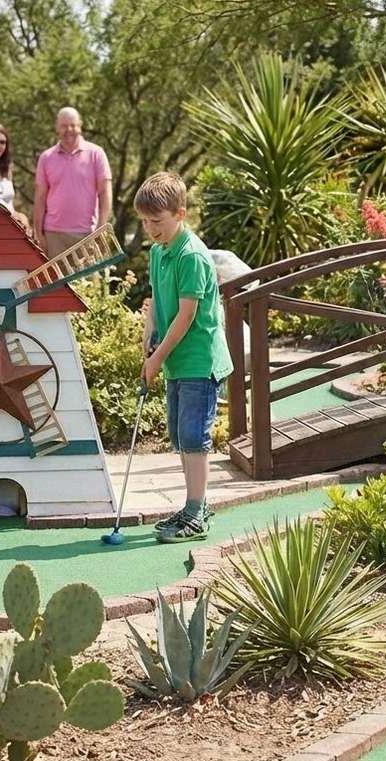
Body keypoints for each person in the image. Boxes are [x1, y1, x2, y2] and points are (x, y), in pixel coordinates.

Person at [138, 172, 234, 543]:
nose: (150, 229)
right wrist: (149, 338)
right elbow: (156, 307)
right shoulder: (158, 251)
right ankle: (192, 505)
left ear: (180, 213)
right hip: (176, 359)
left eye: (156, 222)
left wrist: (157, 357)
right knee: (180, 435)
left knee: (194, 436)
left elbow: (186, 315)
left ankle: (197, 511)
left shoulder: (191, 255)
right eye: (145, 222)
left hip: (198, 359)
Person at [34, 107, 113, 257]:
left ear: (80, 126)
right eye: (64, 126)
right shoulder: (46, 157)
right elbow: (40, 197)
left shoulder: (96, 154)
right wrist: (38, 233)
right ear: (57, 127)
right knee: (56, 281)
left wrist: (101, 228)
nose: (68, 129)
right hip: (54, 236)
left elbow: (105, 192)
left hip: (87, 235)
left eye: (73, 125)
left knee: (90, 281)